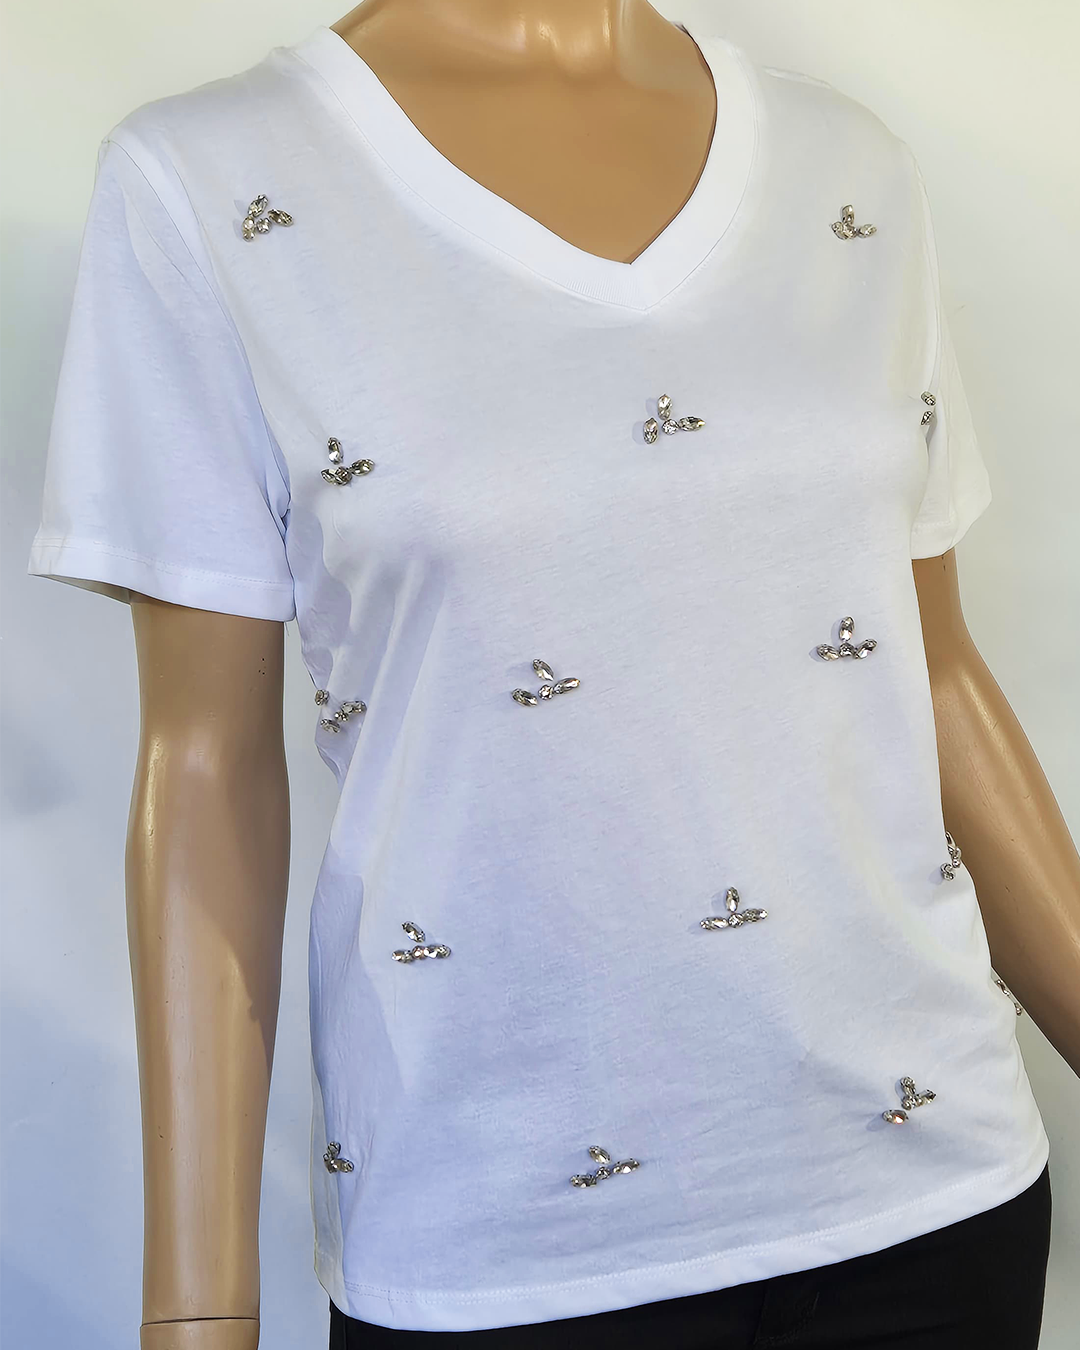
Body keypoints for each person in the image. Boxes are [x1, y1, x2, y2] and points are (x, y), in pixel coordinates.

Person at [27, 2, 1079, 1346]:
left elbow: (930, 673)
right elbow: (204, 766)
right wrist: (196, 1306)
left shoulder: (846, 166)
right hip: (500, 1248)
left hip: (932, 1199)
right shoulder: (209, 185)